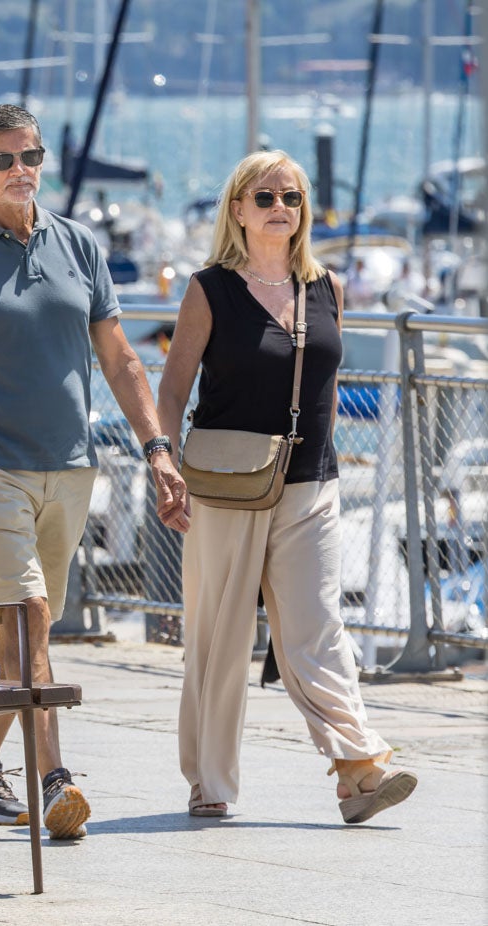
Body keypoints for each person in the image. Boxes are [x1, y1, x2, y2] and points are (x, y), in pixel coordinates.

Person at [0, 103, 187, 840]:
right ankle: (53, 777)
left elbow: (120, 360)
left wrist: (157, 448)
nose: (19, 170)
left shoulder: (78, 244)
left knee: (21, 629)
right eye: (2, 159)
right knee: (28, 615)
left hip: (69, 468)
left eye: (29, 156)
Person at [156, 150, 417, 821]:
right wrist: (163, 462)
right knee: (218, 637)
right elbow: (173, 388)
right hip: (227, 486)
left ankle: (359, 768)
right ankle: (208, 781)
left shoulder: (326, 287)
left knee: (317, 628)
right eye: (265, 197)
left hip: (311, 484)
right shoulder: (209, 289)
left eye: (292, 197)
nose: (280, 208)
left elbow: (323, 384)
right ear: (238, 209)